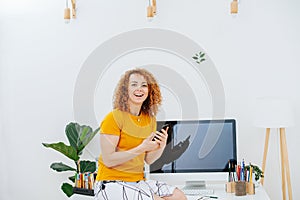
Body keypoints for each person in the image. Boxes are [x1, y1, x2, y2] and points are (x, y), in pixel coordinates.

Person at [94, 68, 187, 200]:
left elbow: (148, 159)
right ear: (125, 90)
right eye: (134, 84)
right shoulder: (113, 118)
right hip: (111, 183)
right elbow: (109, 160)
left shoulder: (149, 120)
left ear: (149, 91)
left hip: (137, 182)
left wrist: (161, 145)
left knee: (178, 196)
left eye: (144, 85)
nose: (139, 89)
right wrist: (141, 148)